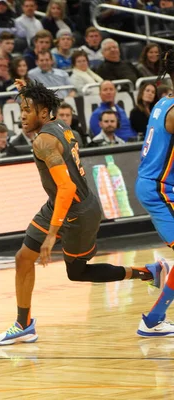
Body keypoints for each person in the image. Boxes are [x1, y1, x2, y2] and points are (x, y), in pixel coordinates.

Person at [0, 80, 169, 346]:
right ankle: (23, 324)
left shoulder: (44, 141)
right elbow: (61, 188)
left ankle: (147, 272)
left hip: (77, 211)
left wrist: (52, 234)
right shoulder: (59, 123)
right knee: (23, 258)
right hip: (59, 203)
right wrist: (26, 89)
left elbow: (66, 186)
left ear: (43, 112)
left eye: (28, 109)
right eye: (22, 109)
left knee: (78, 272)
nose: (22, 115)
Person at [135, 49, 174, 336]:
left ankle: (159, 269)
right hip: (161, 190)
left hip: (156, 183)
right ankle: (153, 320)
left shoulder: (164, 102)